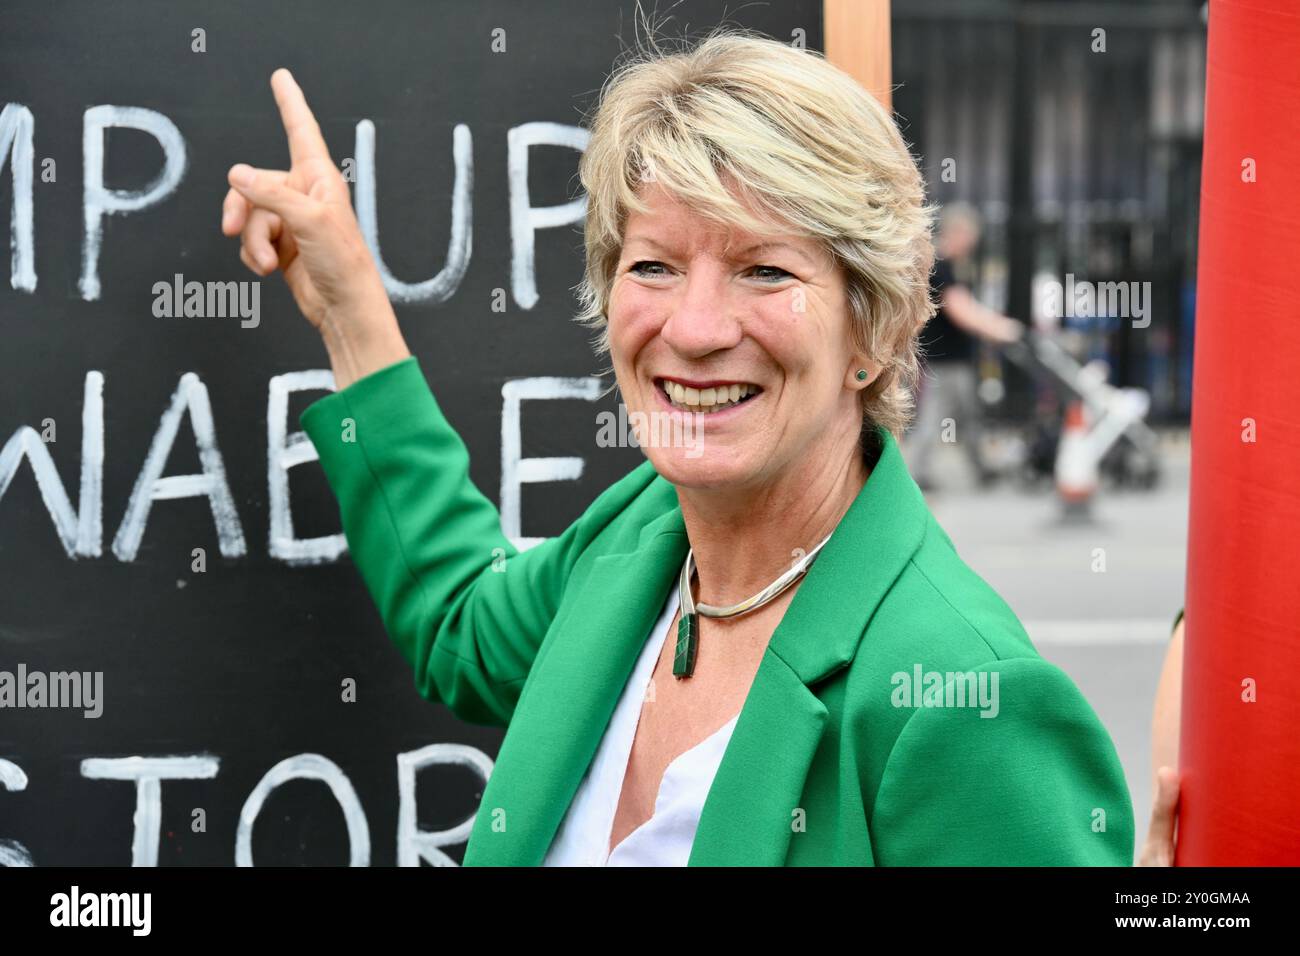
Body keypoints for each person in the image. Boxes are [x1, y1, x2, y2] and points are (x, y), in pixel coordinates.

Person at [220, 30, 1133, 866]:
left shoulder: (965, 699)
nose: (694, 330)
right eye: (652, 264)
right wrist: (347, 309)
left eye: (765, 269)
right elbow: (462, 622)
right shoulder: (643, 539)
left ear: (874, 332)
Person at [906, 202, 1023, 491]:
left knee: (968, 415)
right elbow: (961, 310)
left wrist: (994, 323)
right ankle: (917, 472)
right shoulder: (941, 266)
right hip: (943, 359)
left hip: (954, 358)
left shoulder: (950, 266)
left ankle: (980, 467)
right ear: (957, 233)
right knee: (936, 416)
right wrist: (999, 328)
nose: (972, 244)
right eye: (970, 236)